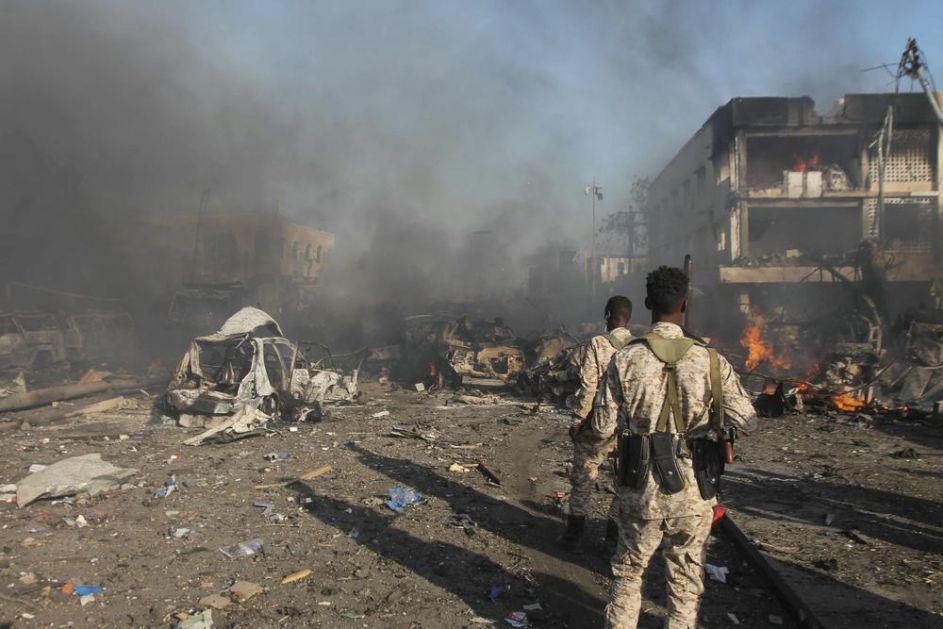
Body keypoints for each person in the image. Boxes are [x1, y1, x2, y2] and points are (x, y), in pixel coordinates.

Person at [592, 266, 757, 629]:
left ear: (648, 303)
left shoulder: (625, 357)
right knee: (684, 584)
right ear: (684, 305)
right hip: (695, 491)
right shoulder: (710, 359)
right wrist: (716, 425)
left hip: (639, 490)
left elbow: (602, 425)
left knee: (628, 575)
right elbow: (746, 419)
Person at [561, 295, 633, 550]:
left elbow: (588, 385)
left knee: (583, 478)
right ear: (629, 317)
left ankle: (573, 536)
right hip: (630, 429)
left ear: (607, 315)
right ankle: (612, 537)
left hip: (598, 426)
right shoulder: (639, 347)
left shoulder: (598, 344)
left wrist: (578, 419)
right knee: (623, 483)